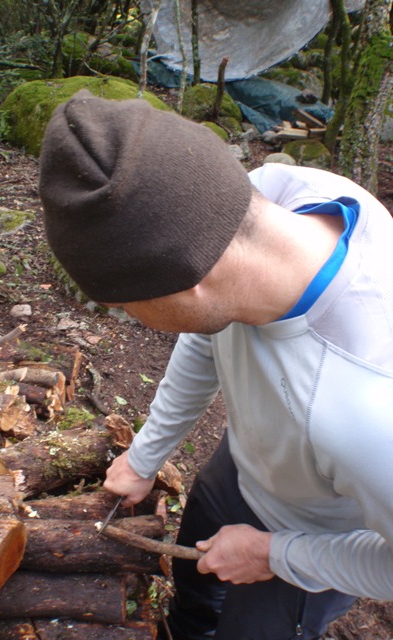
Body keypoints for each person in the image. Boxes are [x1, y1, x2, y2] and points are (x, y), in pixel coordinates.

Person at [39, 90, 393, 640]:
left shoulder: (369, 414)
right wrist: (145, 454)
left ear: (190, 283)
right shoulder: (279, 195)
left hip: (319, 538)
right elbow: (208, 332)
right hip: (253, 462)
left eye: (123, 304)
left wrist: (276, 554)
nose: (127, 318)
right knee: (195, 584)